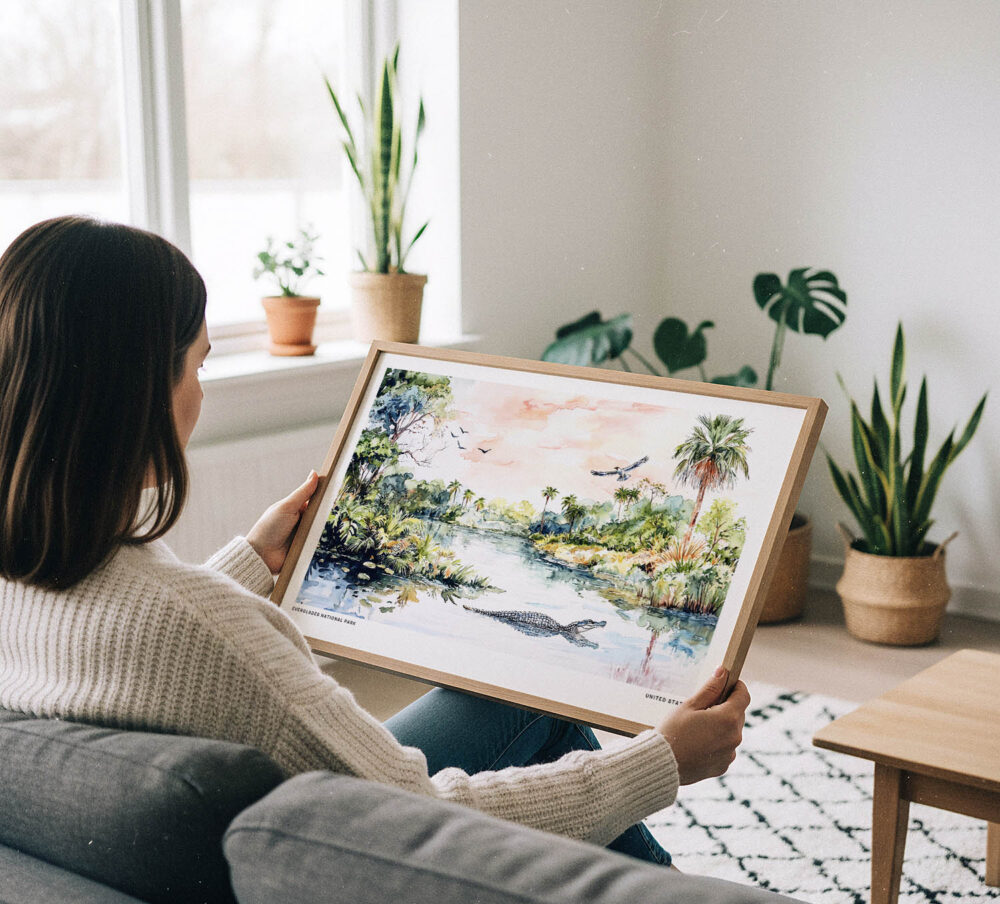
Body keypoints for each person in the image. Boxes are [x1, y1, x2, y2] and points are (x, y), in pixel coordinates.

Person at [0, 216, 749, 866]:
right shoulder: (207, 630)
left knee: (505, 703)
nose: (202, 392)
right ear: (136, 394)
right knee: (548, 722)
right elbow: (418, 817)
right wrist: (660, 761)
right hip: (357, 860)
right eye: (198, 365)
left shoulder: (28, 580)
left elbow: (141, 638)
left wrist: (250, 564)